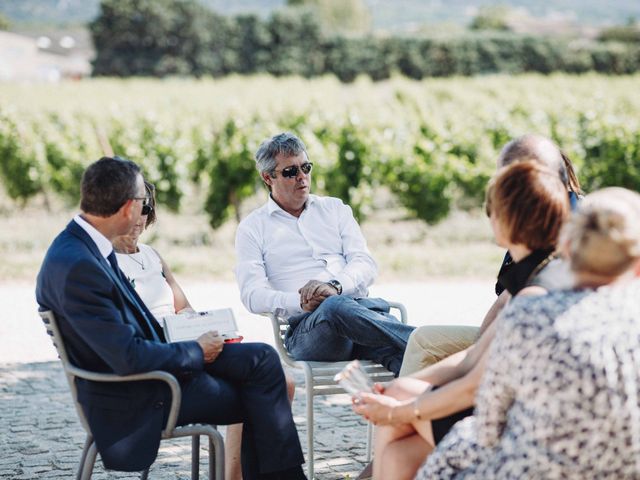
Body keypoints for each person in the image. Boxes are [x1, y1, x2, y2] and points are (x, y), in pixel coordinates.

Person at [36, 156, 306, 480]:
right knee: (260, 390)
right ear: (126, 209)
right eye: (142, 203)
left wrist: (193, 338)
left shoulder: (84, 247)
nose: (146, 212)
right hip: (141, 391)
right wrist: (195, 350)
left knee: (262, 359)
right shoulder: (80, 265)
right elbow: (127, 357)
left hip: (157, 363)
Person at [353, 160, 570, 480]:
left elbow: (473, 385)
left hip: (522, 427)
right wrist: (399, 389)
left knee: (399, 407)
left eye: (490, 211)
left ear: (507, 220)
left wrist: (397, 409)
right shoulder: (539, 272)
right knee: (399, 453)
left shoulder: (535, 291)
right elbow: (473, 357)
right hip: (508, 409)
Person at [418, 187, 640, 479]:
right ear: (636, 265)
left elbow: (488, 426)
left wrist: (409, 412)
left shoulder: (529, 312)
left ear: (569, 249)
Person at [112, 181, 296, 480]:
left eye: (146, 208)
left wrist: (204, 328)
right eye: (132, 208)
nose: (139, 217)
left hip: (187, 345)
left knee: (281, 380)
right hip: (168, 359)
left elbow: (183, 308)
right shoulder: (108, 264)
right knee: (264, 381)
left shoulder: (153, 256)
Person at [399, 134, 582, 376]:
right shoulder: (538, 219)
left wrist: (406, 405)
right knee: (421, 340)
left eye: (507, 180)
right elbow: (505, 302)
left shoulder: (571, 231)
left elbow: (509, 310)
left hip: (532, 359)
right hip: (510, 343)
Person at [235, 132, 415, 375]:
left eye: (306, 168)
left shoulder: (335, 209)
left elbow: (365, 263)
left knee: (412, 364)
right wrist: (300, 301)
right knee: (333, 307)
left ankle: (437, 403)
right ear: (268, 177)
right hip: (311, 332)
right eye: (290, 172)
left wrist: (335, 286)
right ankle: (427, 340)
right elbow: (252, 295)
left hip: (360, 317)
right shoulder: (252, 227)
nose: (302, 177)